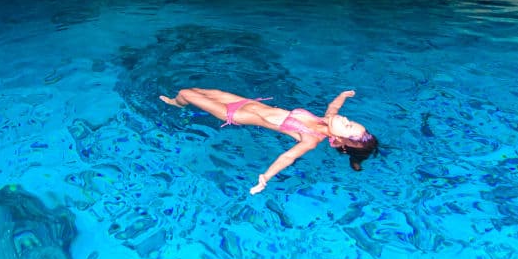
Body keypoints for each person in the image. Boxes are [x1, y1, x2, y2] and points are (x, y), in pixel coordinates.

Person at [158, 88, 378, 193]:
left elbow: (288, 156)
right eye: (351, 120)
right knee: (197, 90)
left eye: (348, 125)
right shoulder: (328, 120)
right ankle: (179, 102)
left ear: (339, 139)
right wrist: (343, 95)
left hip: (232, 114)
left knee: (185, 93)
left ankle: (177, 104)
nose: (346, 119)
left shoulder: (311, 139)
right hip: (243, 101)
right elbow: (334, 107)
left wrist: (265, 177)